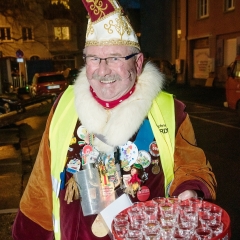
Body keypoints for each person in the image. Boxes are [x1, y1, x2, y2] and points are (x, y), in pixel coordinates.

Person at [12, 0, 217, 239]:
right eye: (94, 59)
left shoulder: (170, 110)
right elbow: (42, 180)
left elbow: (191, 164)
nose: (103, 70)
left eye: (114, 58)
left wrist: (189, 189)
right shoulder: (64, 105)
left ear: (138, 63)